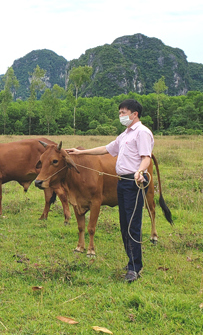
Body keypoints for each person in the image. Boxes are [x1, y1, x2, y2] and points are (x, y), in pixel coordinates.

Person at [65, 99, 153, 283]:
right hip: (121, 182)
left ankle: (135, 267)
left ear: (134, 114)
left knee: (132, 225)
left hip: (134, 182)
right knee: (124, 224)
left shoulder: (142, 133)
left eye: (123, 112)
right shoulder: (125, 135)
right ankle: (131, 262)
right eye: (120, 112)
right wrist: (80, 152)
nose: (120, 115)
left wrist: (140, 171)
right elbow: (106, 149)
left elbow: (146, 158)